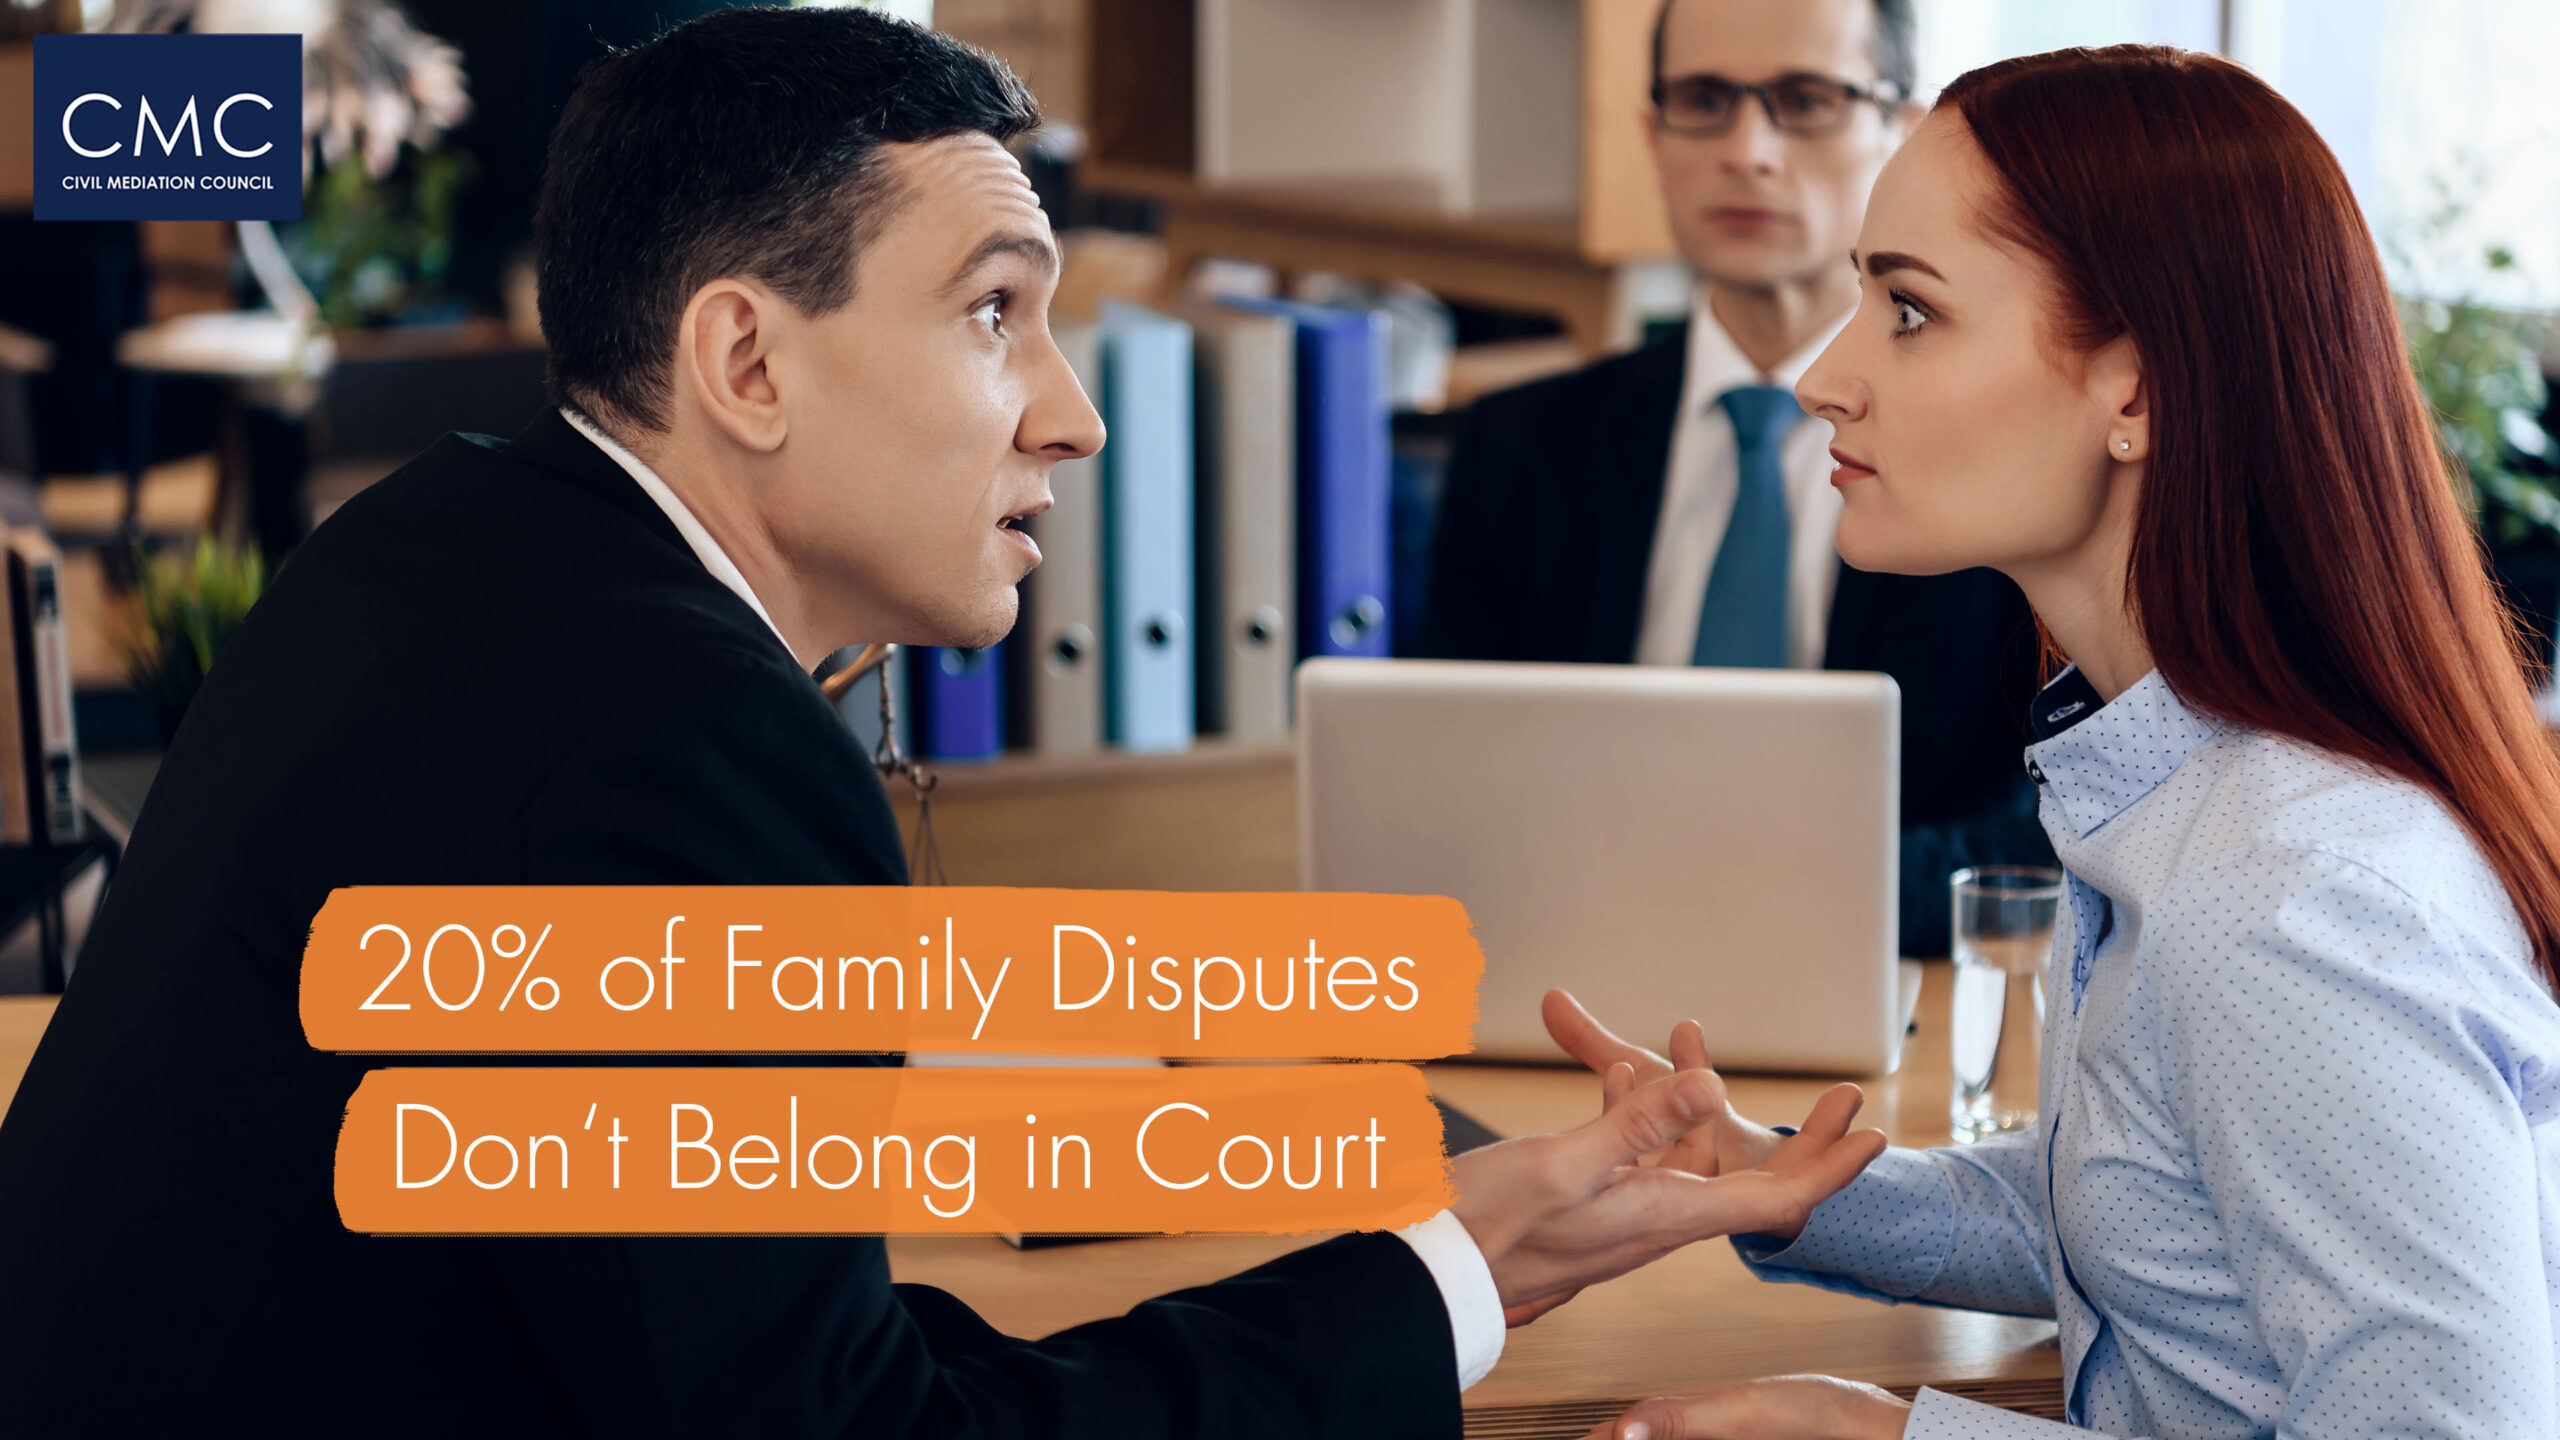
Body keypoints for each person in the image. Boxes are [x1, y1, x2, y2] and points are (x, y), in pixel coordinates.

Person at [0, 10, 1892, 1436]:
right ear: (744, 360)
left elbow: (772, 1368)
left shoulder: (438, 544)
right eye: (998, 311)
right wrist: (1459, 1281)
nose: (1071, 414)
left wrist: (1441, 1260)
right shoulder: (688, 751)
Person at [1546, 43, 2560, 1440]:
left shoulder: (2291, 908)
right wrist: (1762, 1176)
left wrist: (1885, 1433)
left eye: (1907, 310)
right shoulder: (2184, 788)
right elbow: (2148, 1218)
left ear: (2134, 394)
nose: (1826, 379)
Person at [1414, 0, 2050, 957]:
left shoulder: (2000, 464)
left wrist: (1759, 896)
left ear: (1905, 137)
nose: (1748, 150)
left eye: (1806, 99)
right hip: (1573, 971)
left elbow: (2062, 828)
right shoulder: (1521, 446)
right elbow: (1439, 780)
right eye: (1704, 100)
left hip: (1884, 986)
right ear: (1651, 134)